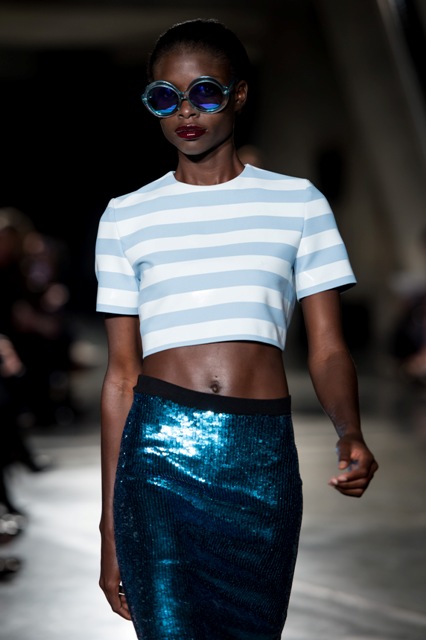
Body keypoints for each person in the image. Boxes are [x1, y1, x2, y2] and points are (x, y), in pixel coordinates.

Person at [94, 18, 378, 640]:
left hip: (262, 456)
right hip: (157, 457)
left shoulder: (299, 203)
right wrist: (110, 525)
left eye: (205, 92)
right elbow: (120, 377)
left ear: (240, 94)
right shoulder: (126, 216)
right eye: (165, 97)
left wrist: (349, 431)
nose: (185, 111)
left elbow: (329, 349)